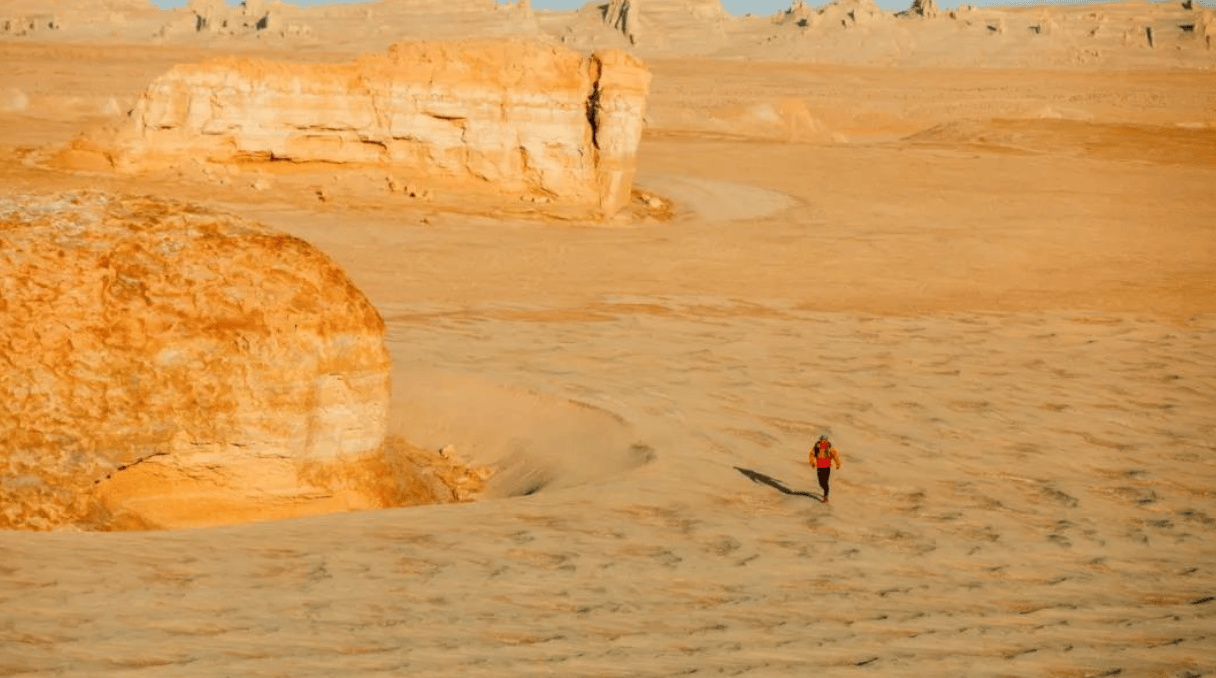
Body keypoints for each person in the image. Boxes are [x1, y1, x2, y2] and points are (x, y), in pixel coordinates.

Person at [809, 435, 842, 503]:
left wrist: (837, 463)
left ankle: (825, 497)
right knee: (821, 483)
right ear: (820, 440)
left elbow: (834, 455)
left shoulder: (829, 447)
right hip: (819, 467)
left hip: (827, 467)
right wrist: (812, 462)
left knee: (825, 483)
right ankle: (825, 494)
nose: (823, 441)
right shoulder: (817, 447)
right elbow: (812, 454)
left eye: (824, 440)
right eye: (822, 440)